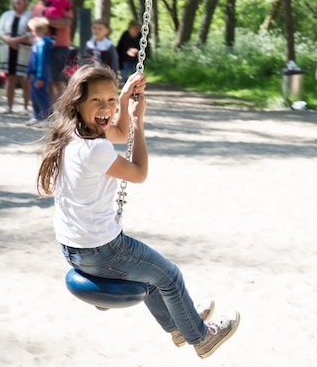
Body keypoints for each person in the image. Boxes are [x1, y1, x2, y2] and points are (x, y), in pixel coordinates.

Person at [36, 64, 240, 359]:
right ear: (78, 102)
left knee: (151, 273)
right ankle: (200, 337)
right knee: (169, 275)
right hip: (102, 249)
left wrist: (122, 99)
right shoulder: (95, 149)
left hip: (73, 247)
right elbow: (139, 172)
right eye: (97, 100)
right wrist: (138, 121)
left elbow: (116, 131)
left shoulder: (72, 133)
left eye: (109, 99)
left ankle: (178, 326)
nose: (105, 107)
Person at [31, 0, 72, 105]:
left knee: (57, 80)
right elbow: (31, 25)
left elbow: (65, 23)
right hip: (40, 46)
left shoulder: (62, 3)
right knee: (44, 79)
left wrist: (45, 21)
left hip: (59, 46)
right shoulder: (37, 6)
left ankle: (62, 112)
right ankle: (46, 112)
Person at [0, 0, 32, 114]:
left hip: (24, 49)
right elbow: (0, 31)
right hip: (8, 49)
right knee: (9, 78)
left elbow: (32, 32)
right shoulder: (6, 14)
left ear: (25, 1)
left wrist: (17, 40)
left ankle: (26, 107)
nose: (17, 0)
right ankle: (9, 106)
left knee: (25, 79)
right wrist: (9, 40)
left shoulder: (30, 15)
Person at [25, 17, 53, 127]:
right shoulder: (36, 42)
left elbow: (42, 61)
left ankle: (46, 118)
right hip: (33, 73)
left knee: (41, 95)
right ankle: (35, 115)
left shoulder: (43, 44)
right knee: (34, 95)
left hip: (40, 75)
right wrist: (28, 72)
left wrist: (40, 76)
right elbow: (32, 58)